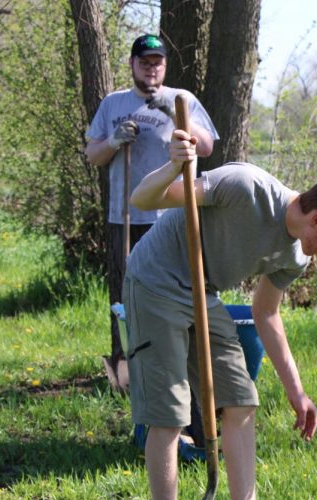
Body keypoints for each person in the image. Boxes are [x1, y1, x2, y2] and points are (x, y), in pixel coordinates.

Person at [123, 127, 317, 500]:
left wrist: (297, 392)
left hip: (204, 293)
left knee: (240, 400)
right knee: (169, 413)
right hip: (155, 282)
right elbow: (143, 200)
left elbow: (267, 314)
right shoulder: (246, 187)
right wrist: (172, 163)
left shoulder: (296, 254)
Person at [84, 34, 219, 386]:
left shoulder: (181, 100)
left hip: (171, 218)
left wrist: (171, 115)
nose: (151, 68)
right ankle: (128, 366)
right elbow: (92, 155)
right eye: (144, 62)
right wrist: (113, 141)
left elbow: (205, 146)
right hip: (124, 216)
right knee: (126, 292)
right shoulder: (113, 104)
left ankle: (179, 367)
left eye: (157, 62)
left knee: (178, 288)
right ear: (132, 64)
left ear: (165, 66)